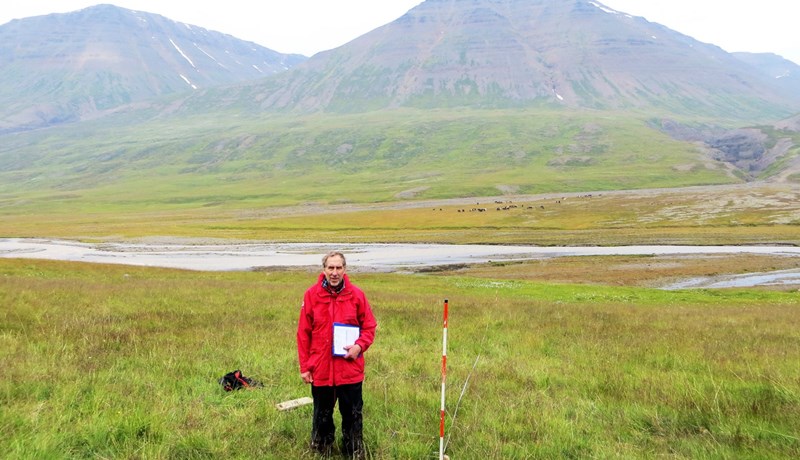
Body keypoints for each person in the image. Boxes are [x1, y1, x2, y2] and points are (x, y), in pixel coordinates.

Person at [297, 251, 377, 458]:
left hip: (349, 370)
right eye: (330, 268)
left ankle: (353, 451)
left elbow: (369, 327)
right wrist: (305, 367)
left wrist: (359, 346)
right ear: (323, 270)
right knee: (322, 416)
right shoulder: (311, 295)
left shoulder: (357, 295)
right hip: (321, 369)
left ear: (345, 269)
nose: (334, 272)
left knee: (352, 415)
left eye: (338, 268)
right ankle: (322, 451)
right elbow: (303, 334)